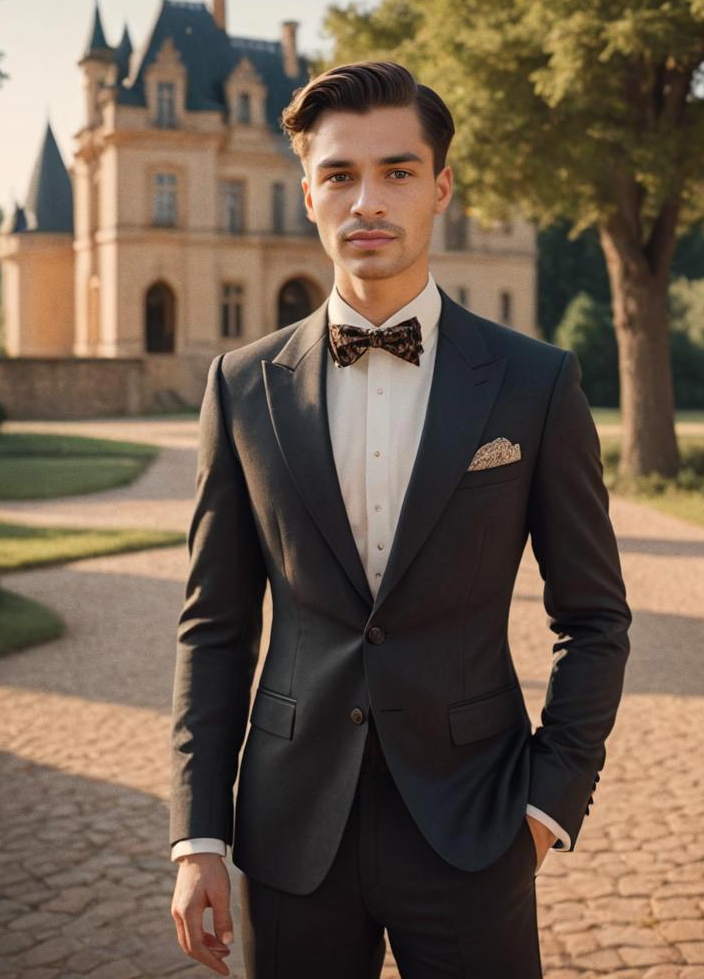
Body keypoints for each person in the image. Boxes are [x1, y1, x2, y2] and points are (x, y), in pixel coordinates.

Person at [168, 60, 631, 978]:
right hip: (290, 835)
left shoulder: (536, 383)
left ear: (441, 187)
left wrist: (546, 806)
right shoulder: (239, 385)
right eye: (340, 174)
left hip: (476, 826)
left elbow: (595, 619)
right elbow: (213, 629)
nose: (367, 200)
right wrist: (196, 839)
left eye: (398, 171)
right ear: (308, 193)